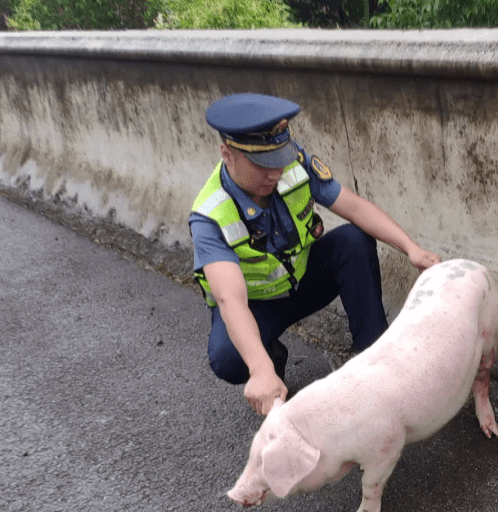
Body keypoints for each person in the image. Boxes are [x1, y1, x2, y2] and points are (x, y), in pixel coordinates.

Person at [189, 93, 441, 416]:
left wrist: (412, 249)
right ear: (228, 155)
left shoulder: (292, 166)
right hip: (257, 306)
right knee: (229, 358)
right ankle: (268, 355)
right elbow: (229, 300)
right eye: (262, 164)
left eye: (279, 158)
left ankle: (374, 360)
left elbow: (353, 206)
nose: (274, 173)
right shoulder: (210, 216)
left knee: (353, 239)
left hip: (304, 280)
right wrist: (261, 368)